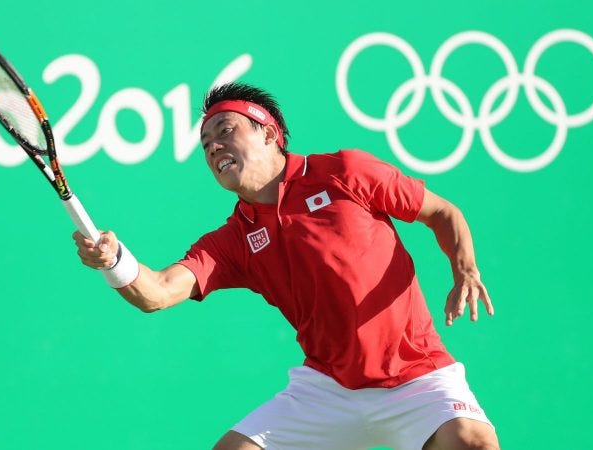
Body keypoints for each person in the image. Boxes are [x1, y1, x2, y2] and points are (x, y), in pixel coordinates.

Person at [73, 82, 500, 450]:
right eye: (206, 145)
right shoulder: (232, 242)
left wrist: (465, 268)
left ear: (270, 133)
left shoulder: (344, 172)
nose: (214, 147)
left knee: (474, 442)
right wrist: (114, 261)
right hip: (328, 389)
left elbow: (443, 213)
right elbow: (159, 291)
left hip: (417, 376)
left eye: (225, 131)